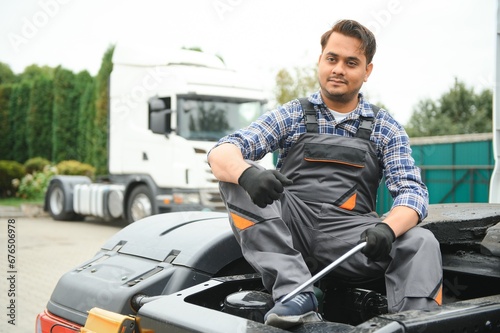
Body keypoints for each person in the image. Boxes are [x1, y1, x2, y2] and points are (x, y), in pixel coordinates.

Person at [208, 19, 442, 329]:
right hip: (289, 228)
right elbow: (221, 152)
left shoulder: (386, 128)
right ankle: (295, 294)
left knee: (420, 241)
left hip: (351, 239)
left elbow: (413, 192)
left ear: (367, 70)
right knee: (237, 175)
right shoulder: (291, 114)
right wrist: (248, 175)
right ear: (321, 61)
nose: (339, 69)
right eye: (332, 59)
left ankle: (413, 323)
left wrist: (387, 228)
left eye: (351, 62)